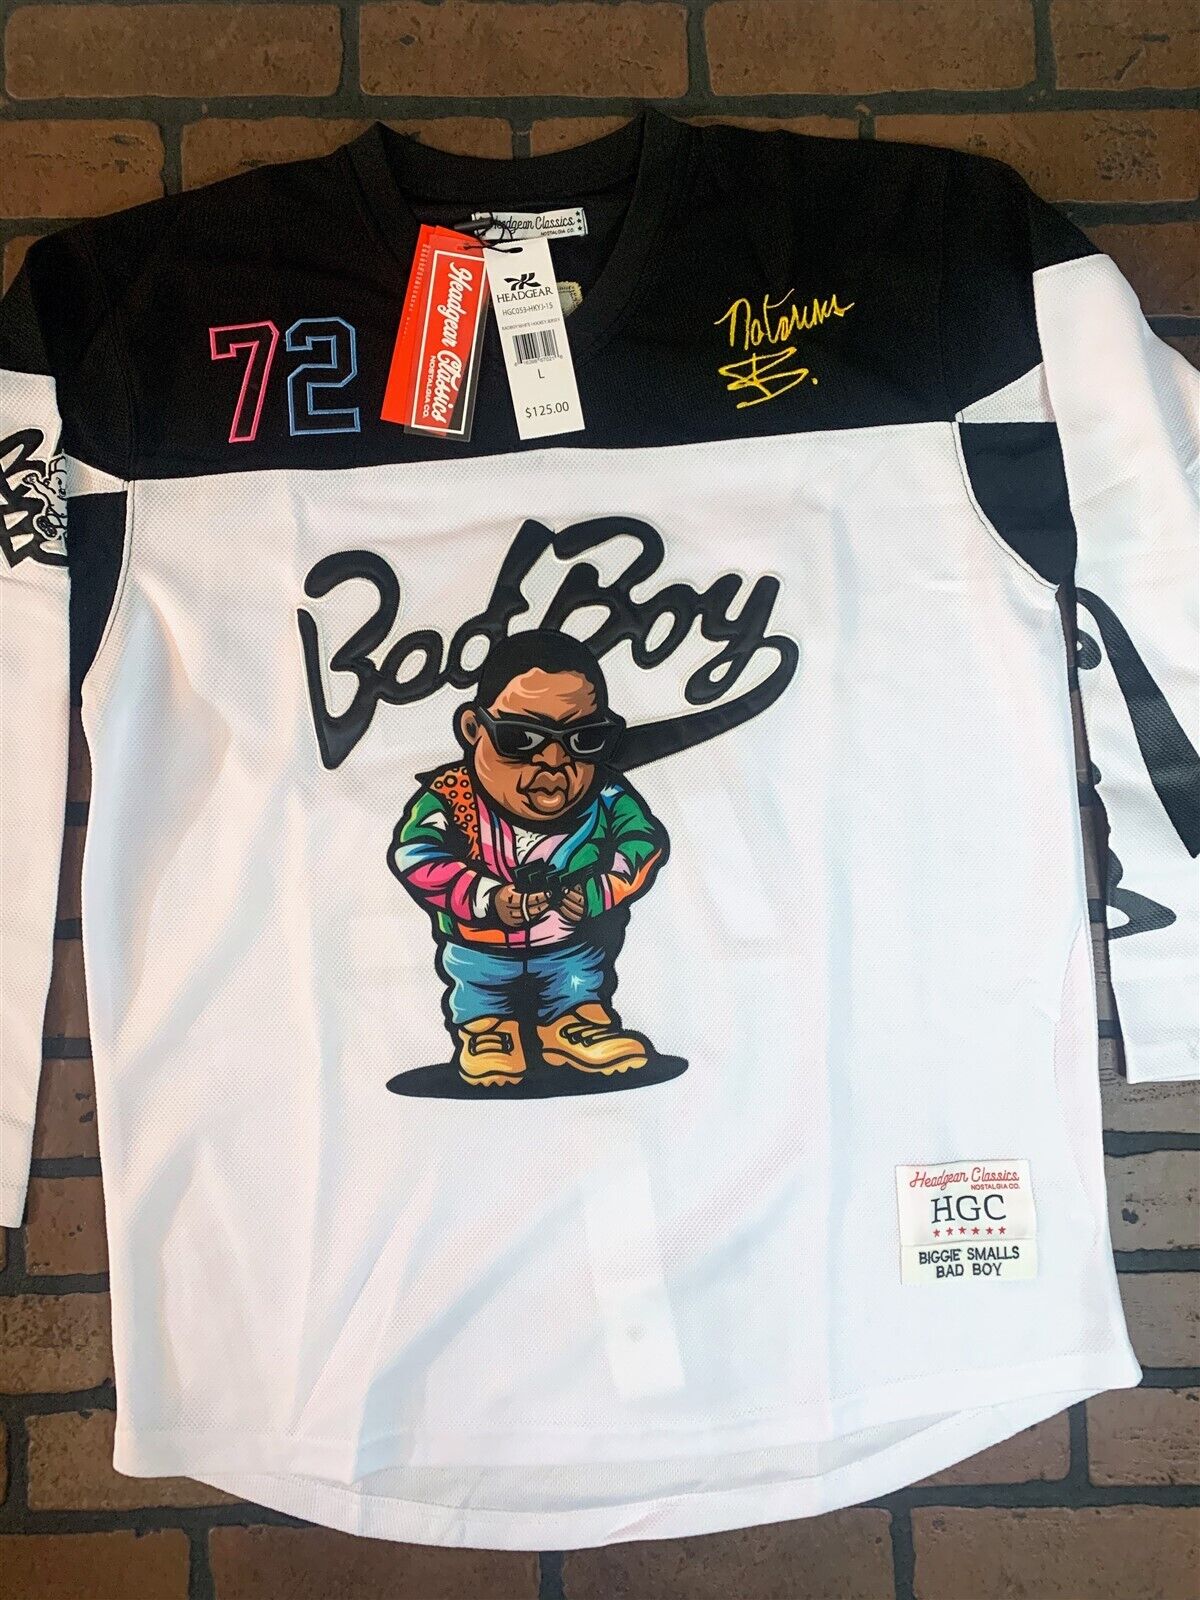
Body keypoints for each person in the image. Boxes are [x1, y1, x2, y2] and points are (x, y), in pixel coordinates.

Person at [388, 629, 669, 1087]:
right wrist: (486, 898)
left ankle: (574, 1026)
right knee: (482, 995)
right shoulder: (450, 797)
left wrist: (598, 891)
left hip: (571, 947)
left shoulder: (607, 797)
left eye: (583, 739)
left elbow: (642, 843)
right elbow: (417, 855)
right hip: (479, 948)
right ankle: (487, 1032)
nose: (553, 760)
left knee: (577, 988)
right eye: (520, 737)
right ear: (474, 729)